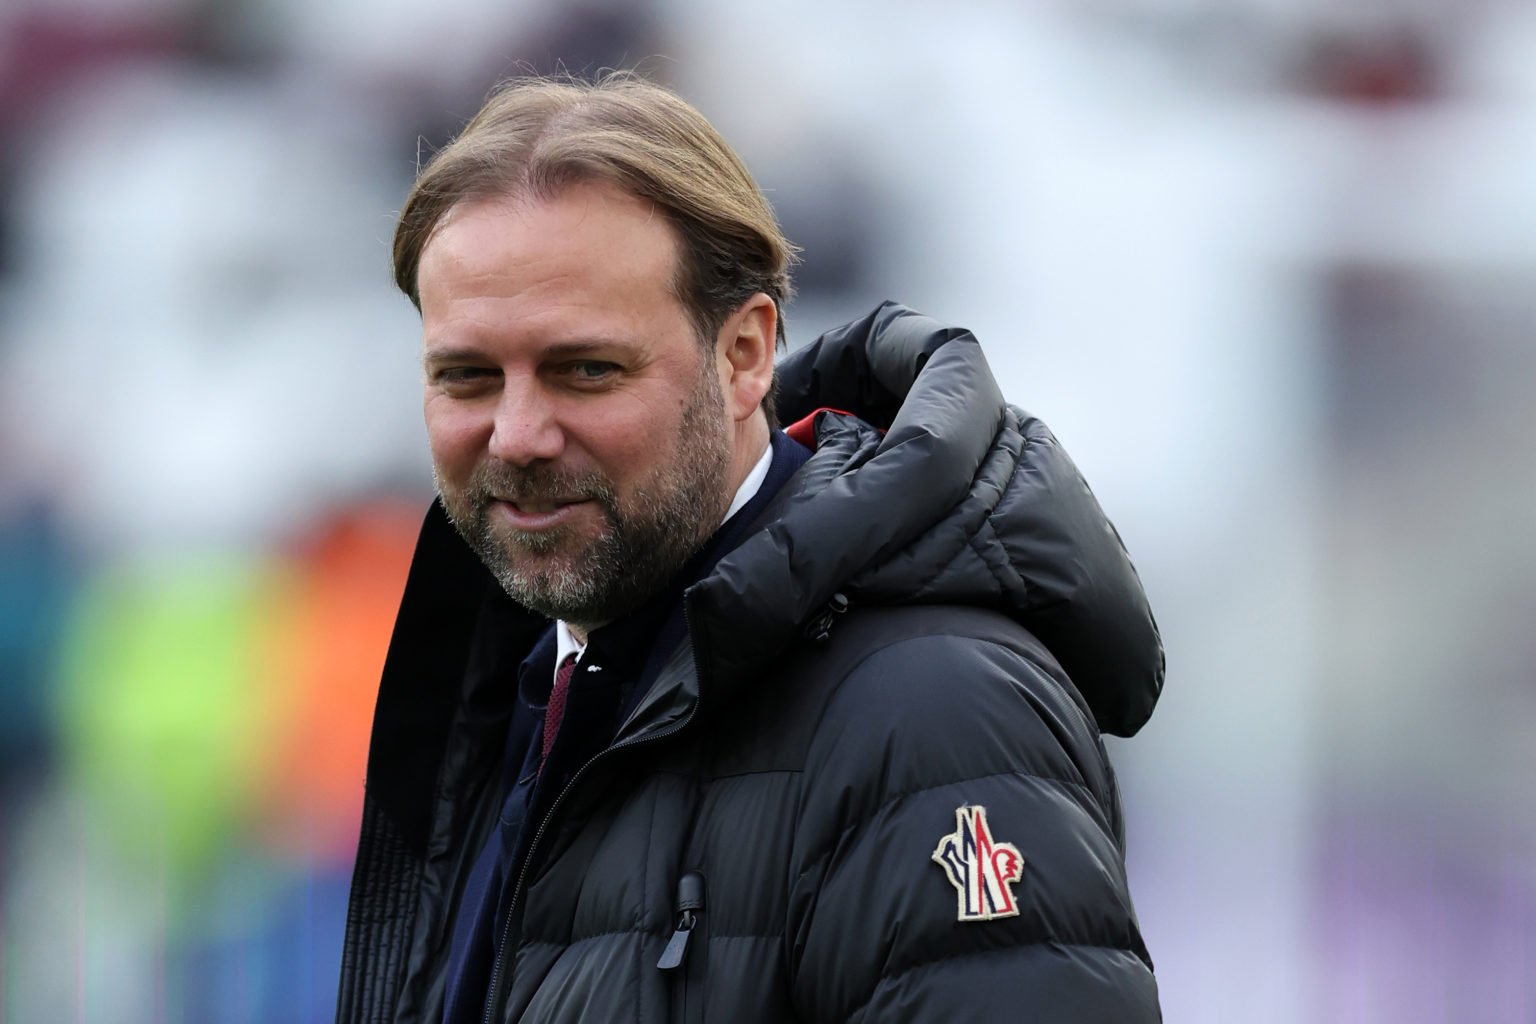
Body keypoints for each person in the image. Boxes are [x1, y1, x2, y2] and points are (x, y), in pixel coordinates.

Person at [338, 72, 1165, 1024]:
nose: (518, 433)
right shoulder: (529, 686)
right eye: (469, 377)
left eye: (587, 370)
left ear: (745, 355)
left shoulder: (935, 717)